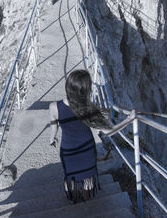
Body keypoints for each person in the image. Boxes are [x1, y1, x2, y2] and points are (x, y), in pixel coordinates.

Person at [48, 69, 135, 203]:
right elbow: (109, 131)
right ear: (84, 90)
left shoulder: (54, 106)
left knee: (70, 174)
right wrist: (129, 120)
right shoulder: (89, 108)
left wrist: (51, 139)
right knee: (88, 177)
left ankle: (71, 198)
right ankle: (86, 201)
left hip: (68, 150)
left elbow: (54, 126)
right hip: (87, 150)